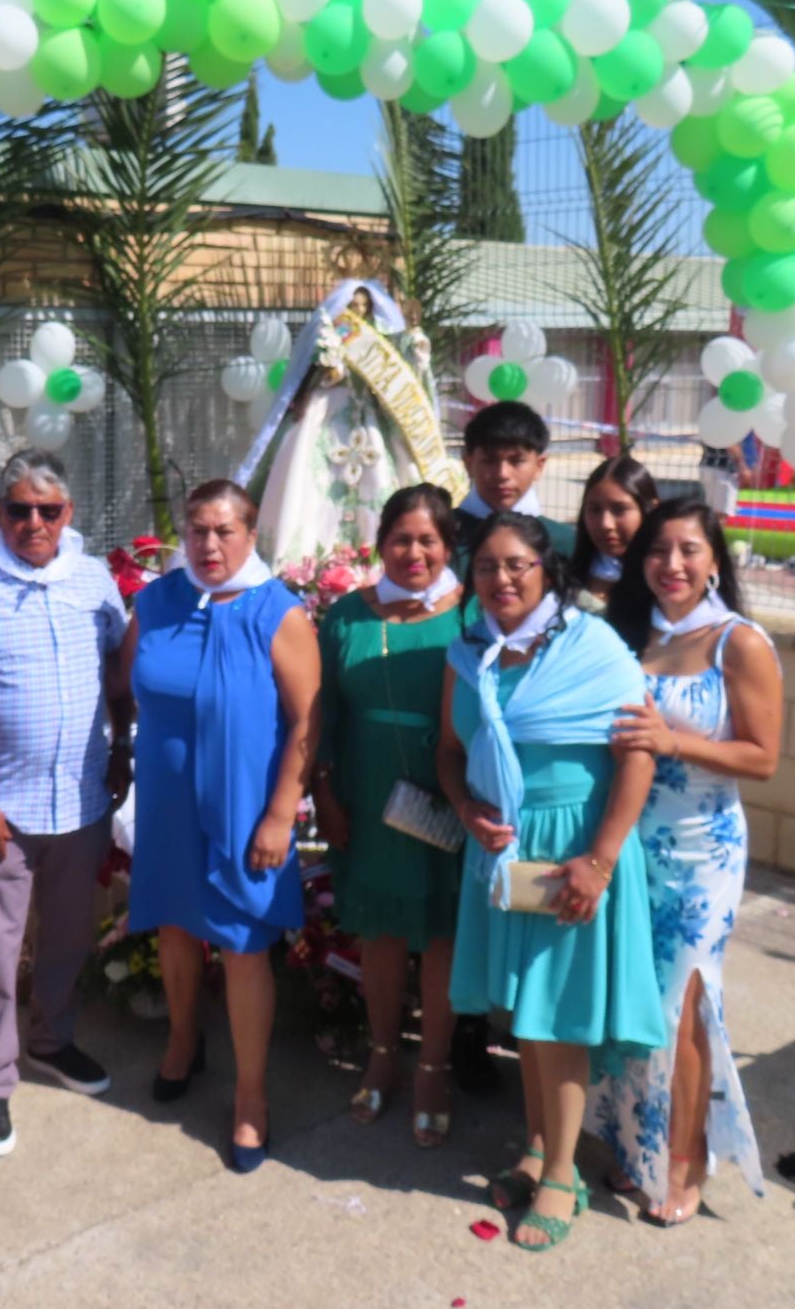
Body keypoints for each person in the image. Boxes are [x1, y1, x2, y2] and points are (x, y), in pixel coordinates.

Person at [434, 513, 663, 1253]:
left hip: (572, 850)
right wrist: (469, 810)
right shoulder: (468, 652)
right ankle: (538, 1148)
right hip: (503, 853)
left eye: (517, 566)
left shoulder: (594, 647)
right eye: (487, 568)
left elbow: (637, 760)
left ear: (547, 570)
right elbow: (447, 750)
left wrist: (598, 860)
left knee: (559, 1020)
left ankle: (564, 1177)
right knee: (526, 1015)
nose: (502, 580)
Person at [0, 449, 133, 1159]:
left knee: (69, 938)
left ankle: (52, 1041)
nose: (34, 523)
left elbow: (115, 670)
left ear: (67, 514)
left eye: (49, 511)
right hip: (1, 812)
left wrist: (123, 750)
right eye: (19, 509)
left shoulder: (95, 579)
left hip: (81, 802)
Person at [120, 480, 320, 1173]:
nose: (209, 545)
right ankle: (183, 1041)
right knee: (175, 925)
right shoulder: (155, 602)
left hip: (246, 808)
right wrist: (121, 760)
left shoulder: (278, 612)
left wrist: (278, 815)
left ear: (250, 534)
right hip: (169, 801)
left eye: (224, 531)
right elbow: (126, 688)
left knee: (240, 943)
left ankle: (251, 1097)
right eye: (198, 530)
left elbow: (308, 722)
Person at [593, 499, 781, 1228]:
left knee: (686, 1008)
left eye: (688, 550)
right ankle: (633, 1139)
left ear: (714, 559)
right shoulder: (630, 638)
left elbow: (762, 757)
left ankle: (685, 1159)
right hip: (633, 842)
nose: (672, 565)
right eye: (658, 551)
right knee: (635, 999)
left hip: (703, 852)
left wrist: (676, 742)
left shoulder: (740, 642)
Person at [312, 483, 466, 1147]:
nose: (414, 552)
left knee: (439, 933)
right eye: (401, 538)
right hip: (366, 793)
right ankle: (382, 1053)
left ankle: (432, 1066)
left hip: (446, 791)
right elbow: (322, 713)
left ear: (448, 545)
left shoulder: (475, 614)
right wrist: (323, 790)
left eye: (428, 540)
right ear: (380, 544)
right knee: (377, 930)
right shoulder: (347, 616)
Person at [245, 277, 469, 569]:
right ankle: (302, 565)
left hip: (373, 419)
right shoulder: (332, 330)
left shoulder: (380, 336)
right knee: (306, 479)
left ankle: (375, 561)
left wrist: (414, 342)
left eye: (364, 306)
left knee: (382, 480)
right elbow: (307, 372)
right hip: (327, 412)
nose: (359, 311)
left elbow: (400, 361)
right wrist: (327, 365)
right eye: (353, 305)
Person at [454, 401, 578, 561]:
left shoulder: (564, 543)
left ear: (539, 465)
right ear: (469, 463)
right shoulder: (441, 538)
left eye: (517, 461)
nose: (502, 474)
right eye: (490, 460)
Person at [568, 455, 659, 604]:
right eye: (595, 510)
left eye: (619, 510)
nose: (605, 524)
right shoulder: (567, 579)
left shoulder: (665, 583)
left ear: (650, 510)